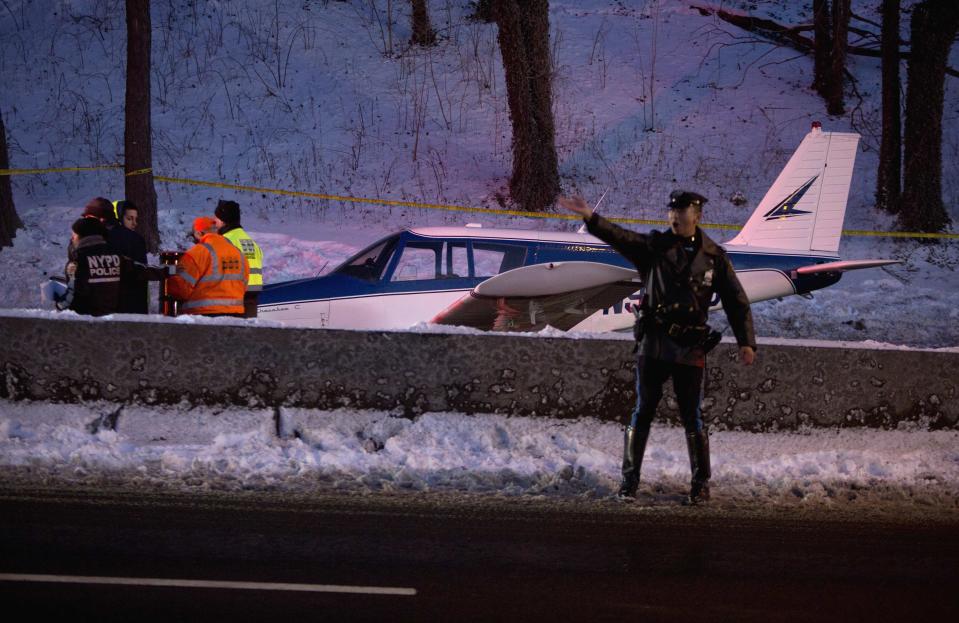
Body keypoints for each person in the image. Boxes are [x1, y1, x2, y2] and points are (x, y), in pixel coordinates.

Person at [559, 190, 756, 505]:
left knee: (693, 416)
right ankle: (629, 482)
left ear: (698, 215)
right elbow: (622, 238)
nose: (675, 216)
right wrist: (590, 217)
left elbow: (736, 301)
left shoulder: (714, 256)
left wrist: (747, 342)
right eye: (672, 211)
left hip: (691, 347)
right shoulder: (654, 248)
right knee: (643, 411)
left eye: (682, 211)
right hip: (654, 344)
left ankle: (701, 485)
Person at [166, 216, 249, 317]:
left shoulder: (196, 253)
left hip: (203, 315)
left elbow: (180, 288)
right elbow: (244, 283)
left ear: (199, 233)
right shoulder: (238, 253)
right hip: (236, 314)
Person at [213, 199, 263, 318]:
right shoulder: (250, 241)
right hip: (252, 296)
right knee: (247, 333)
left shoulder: (225, 240)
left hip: (233, 299)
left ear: (224, 220)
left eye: (217, 218)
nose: (214, 221)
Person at [109, 199, 150, 313]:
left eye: (136, 219)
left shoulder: (103, 237)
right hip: (133, 303)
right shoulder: (136, 240)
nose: (134, 223)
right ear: (119, 217)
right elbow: (142, 273)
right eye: (129, 219)